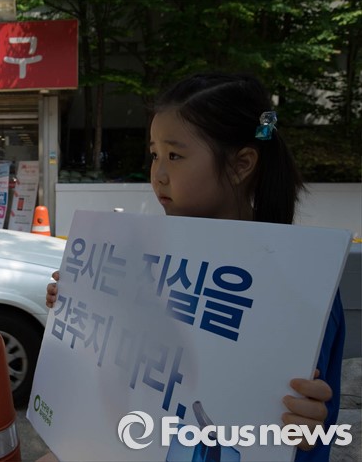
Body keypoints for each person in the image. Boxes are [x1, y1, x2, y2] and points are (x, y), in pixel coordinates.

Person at [45, 72, 345, 461]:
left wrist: (306, 425)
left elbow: (301, 432)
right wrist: (79, 305)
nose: (158, 175)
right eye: (155, 155)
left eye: (175, 156)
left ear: (241, 165)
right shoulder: (152, 260)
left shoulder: (302, 288)